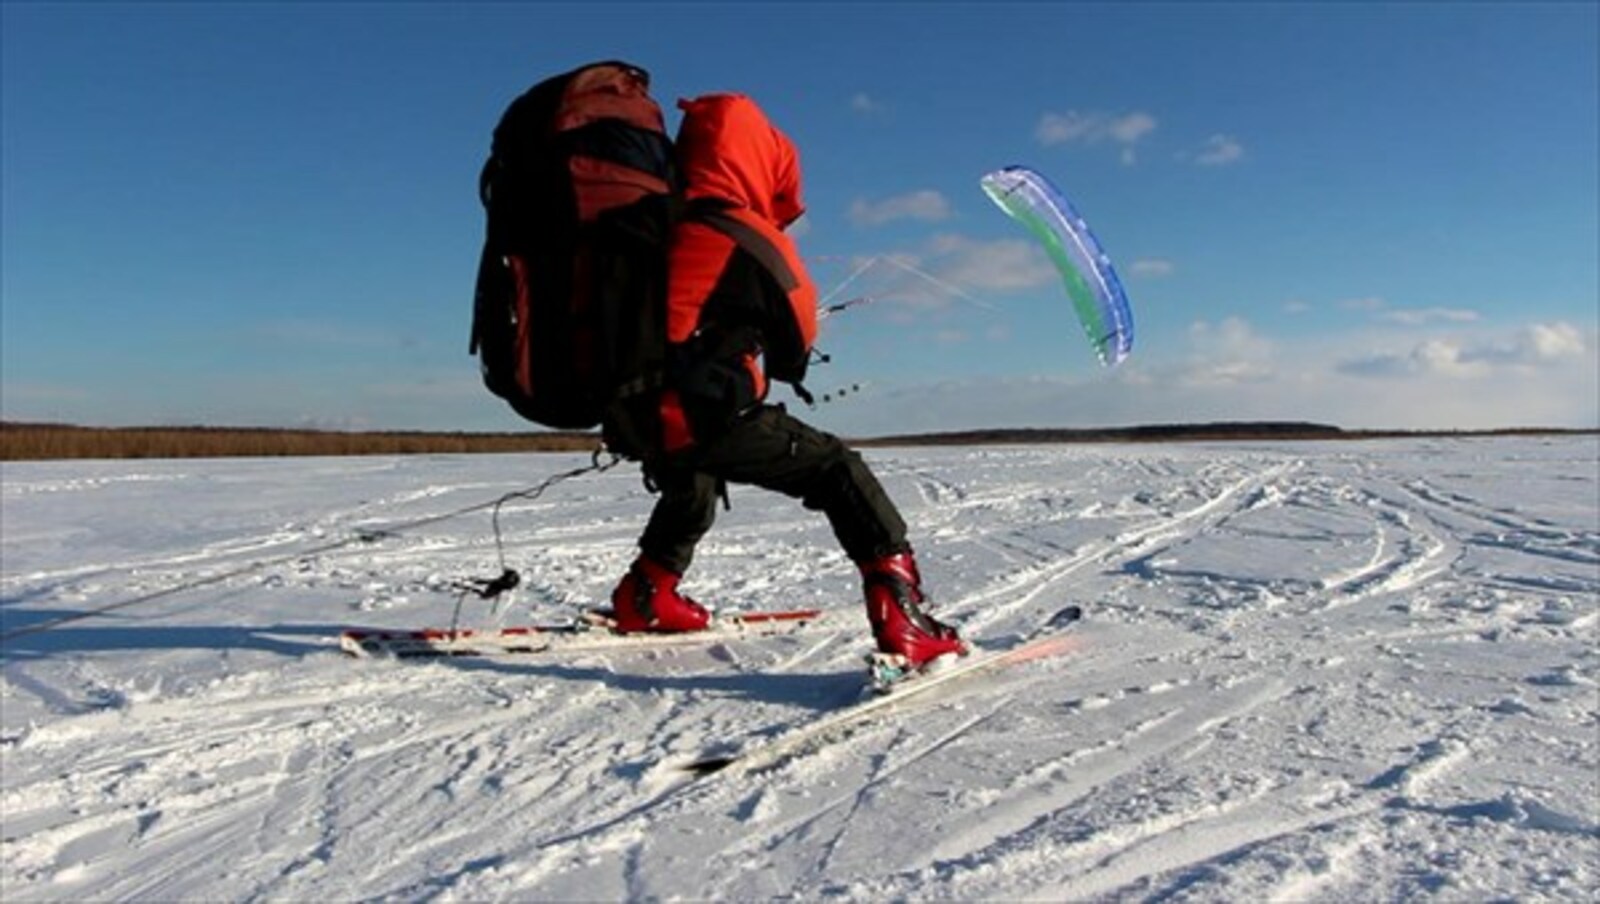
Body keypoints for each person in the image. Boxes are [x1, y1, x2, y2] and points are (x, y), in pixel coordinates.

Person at [600, 92, 966, 668]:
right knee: (837, 470)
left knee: (692, 485)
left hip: (634, 416)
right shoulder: (749, 234)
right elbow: (794, 353)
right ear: (757, 160)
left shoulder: (647, 227)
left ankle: (645, 596)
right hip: (705, 413)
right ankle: (903, 617)